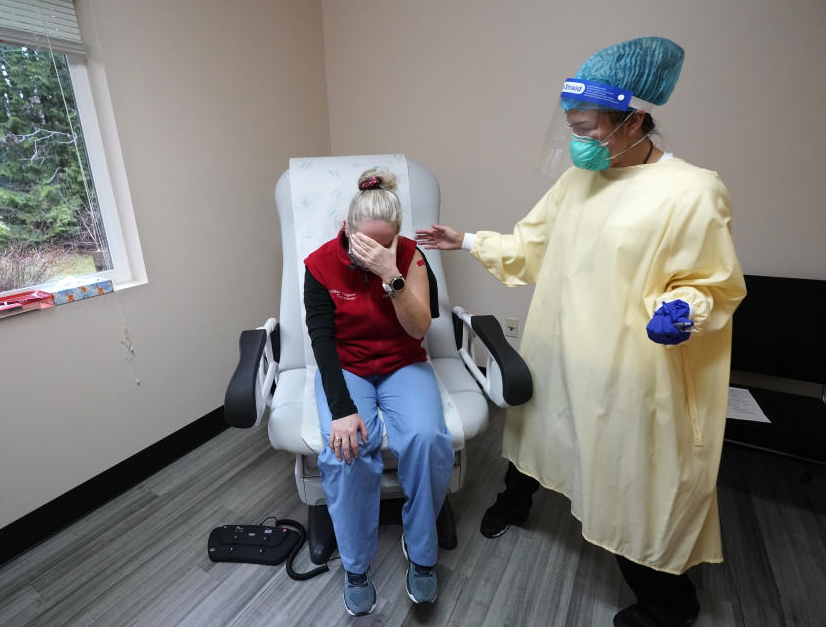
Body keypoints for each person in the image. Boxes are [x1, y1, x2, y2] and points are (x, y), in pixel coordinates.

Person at [416, 37, 746, 627]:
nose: (578, 141)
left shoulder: (693, 190)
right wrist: (464, 240)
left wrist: (684, 310)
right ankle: (516, 503)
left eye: (589, 128)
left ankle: (666, 604)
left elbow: (712, 284)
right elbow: (530, 248)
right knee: (536, 434)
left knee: (633, 479)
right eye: (572, 127)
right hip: (559, 347)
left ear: (635, 118)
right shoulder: (577, 182)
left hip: (630, 367)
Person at [304, 168, 455, 616]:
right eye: (363, 242)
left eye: (384, 242)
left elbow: (419, 327)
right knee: (345, 448)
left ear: (396, 236)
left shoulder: (410, 257)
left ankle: (422, 551)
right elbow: (321, 340)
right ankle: (355, 564)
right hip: (346, 366)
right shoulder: (319, 265)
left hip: (402, 363)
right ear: (348, 229)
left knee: (427, 439)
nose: (371, 251)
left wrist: (391, 274)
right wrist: (342, 409)